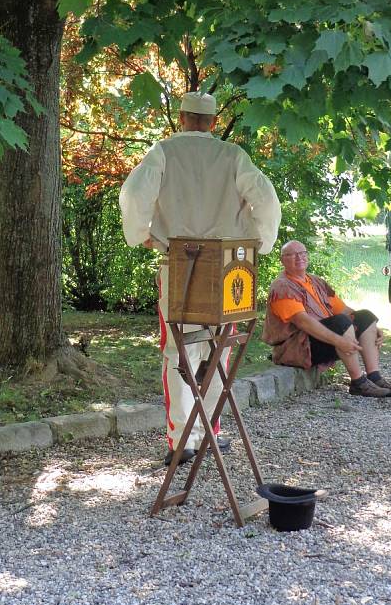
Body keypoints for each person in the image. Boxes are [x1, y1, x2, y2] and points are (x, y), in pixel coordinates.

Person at [119, 91, 281, 463]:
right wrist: (260, 242)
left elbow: (133, 195)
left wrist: (141, 235)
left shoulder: (163, 151)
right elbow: (267, 199)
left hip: (178, 261)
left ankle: (184, 439)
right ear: (212, 122)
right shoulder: (232, 155)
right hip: (226, 264)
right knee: (218, 347)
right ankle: (210, 429)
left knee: (179, 351)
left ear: (181, 118)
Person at [262, 240, 391, 398]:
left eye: (302, 253)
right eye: (292, 254)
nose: (299, 257)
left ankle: (374, 378)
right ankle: (358, 383)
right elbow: (304, 322)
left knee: (365, 316)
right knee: (340, 323)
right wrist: (338, 341)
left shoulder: (315, 281)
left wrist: (370, 328)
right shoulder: (282, 287)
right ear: (282, 260)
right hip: (298, 348)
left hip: (320, 340)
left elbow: (343, 310)